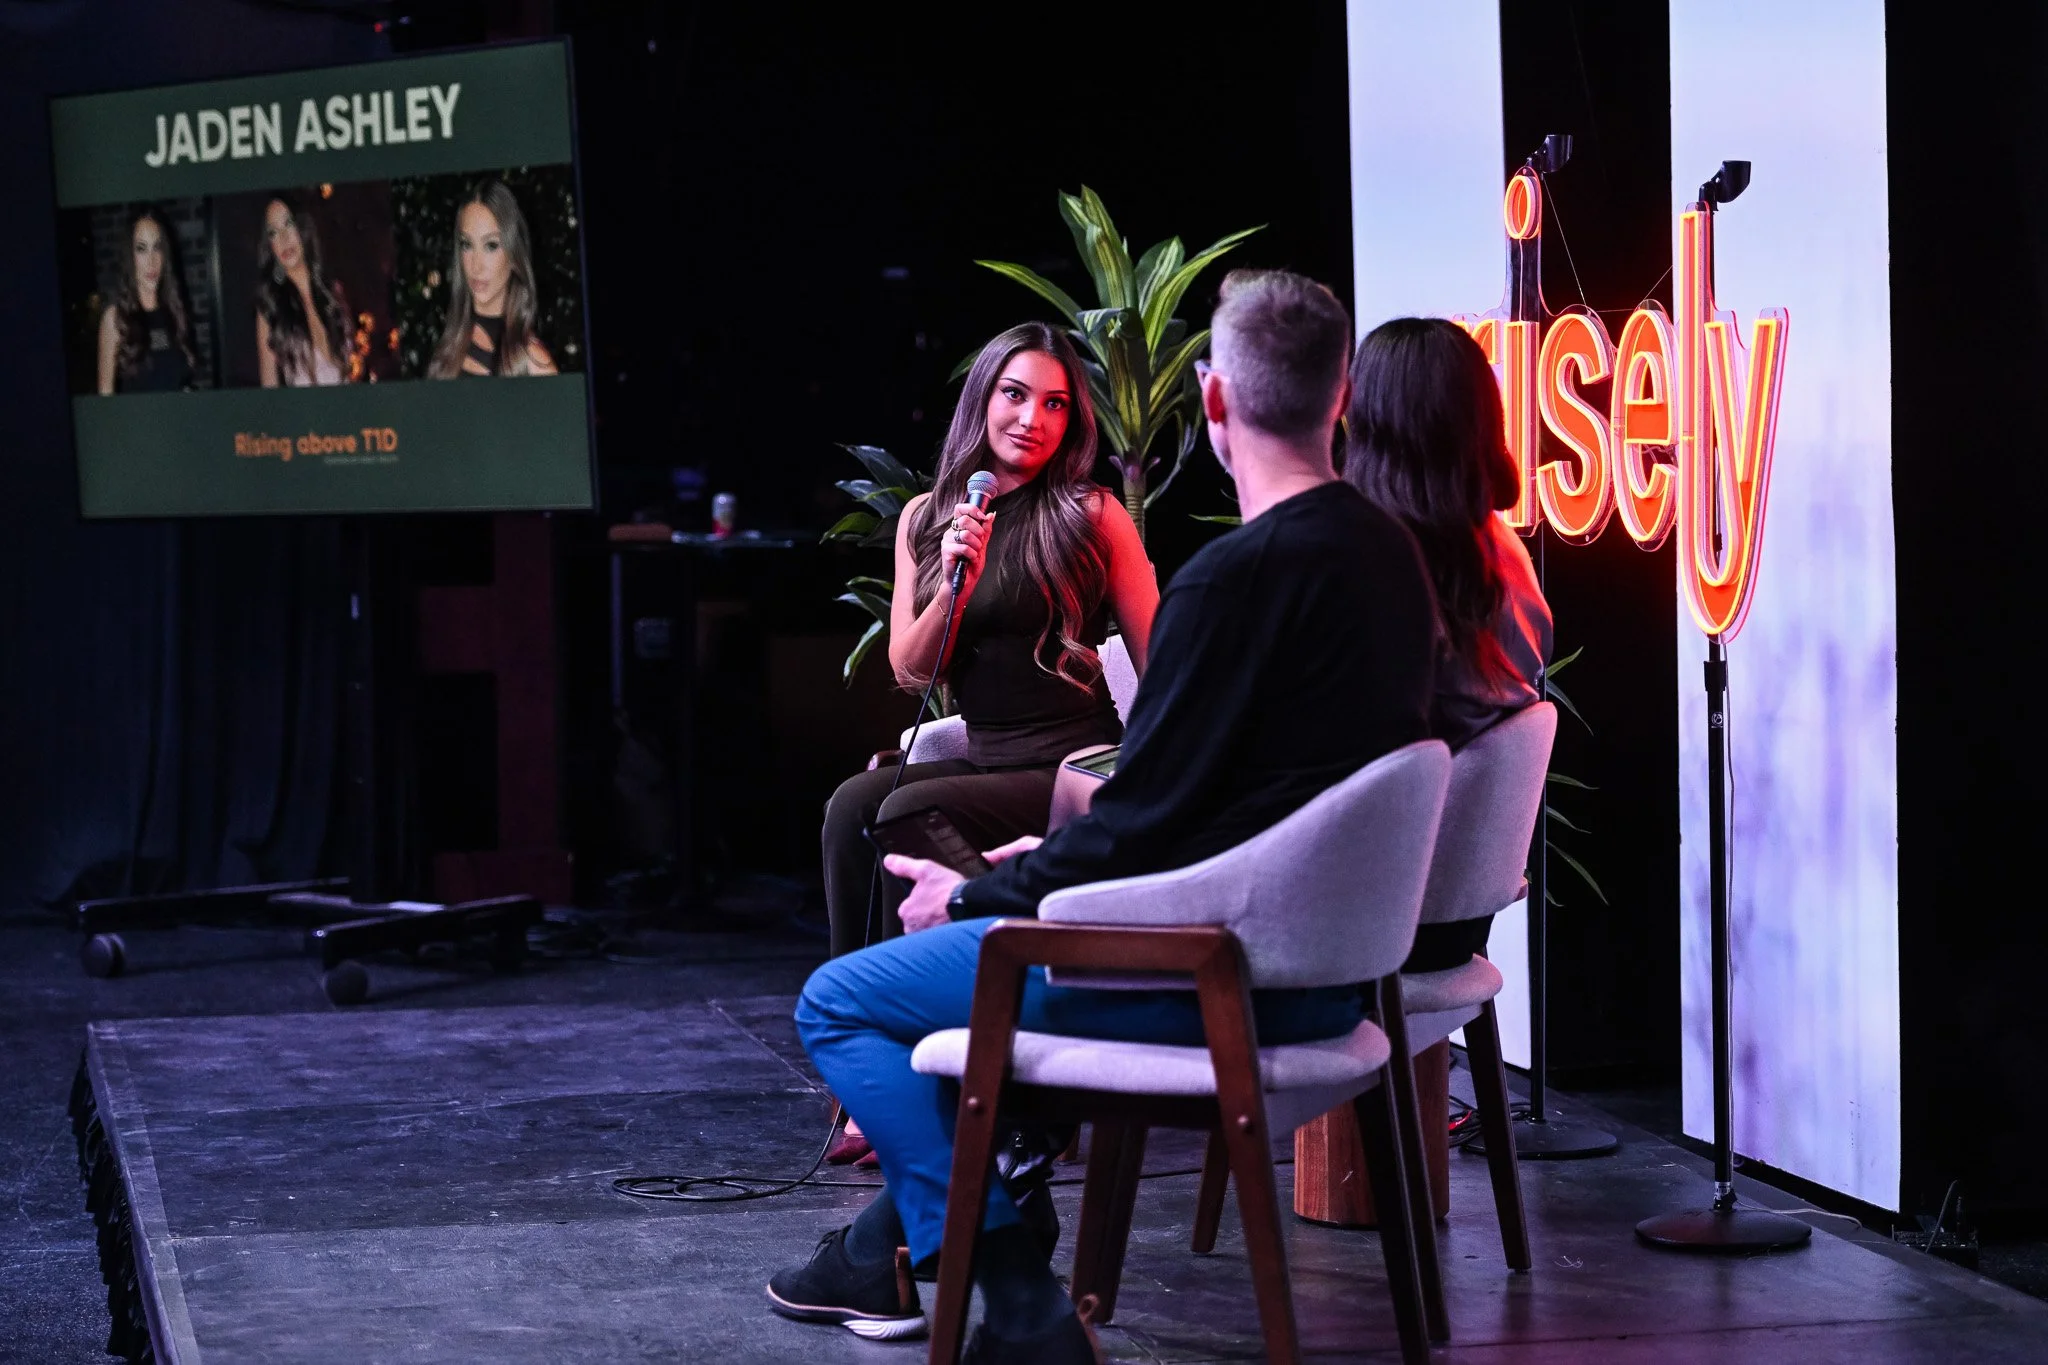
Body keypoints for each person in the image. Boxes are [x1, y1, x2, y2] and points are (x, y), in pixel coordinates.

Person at [767, 270, 1438, 1362]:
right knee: (877, 826)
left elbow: (1145, 821)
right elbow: (1210, 801)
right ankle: (918, 1235)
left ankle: (1016, 1294)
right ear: (1342, 395)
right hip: (1334, 975)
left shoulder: (1225, 583)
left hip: (1208, 975)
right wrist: (1055, 855)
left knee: (838, 1002)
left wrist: (982, 892)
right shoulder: (1394, 558)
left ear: (1211, 402)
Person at [819, 320, 1157, 1167]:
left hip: (1069, 765)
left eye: (1055, 404)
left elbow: (1162, 661)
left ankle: (967, 1051)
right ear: (984, 398)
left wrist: (1151, 779)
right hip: (986, 753)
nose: (1033, 419)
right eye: (1016, 394)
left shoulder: (1091, 514)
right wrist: (953, 584)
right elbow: (910, 668)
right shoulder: (928, 519)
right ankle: (868, 1066)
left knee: (907, 803)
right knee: (851, 807)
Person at [1342, 317, 1553, 972]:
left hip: (1375, 922)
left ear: (1368, 422)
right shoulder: (1504, 553)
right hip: (1457, 914)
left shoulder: (1375, 569)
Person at [426, 181, 557, 378]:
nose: (476, 266)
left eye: (491, 246)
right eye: (467, 245)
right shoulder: (450, 342)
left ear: (513, 255)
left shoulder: (531, 361)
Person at [96, 206, 198, 395]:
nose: (151, 261)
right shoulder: (115, 319)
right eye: (141, 249)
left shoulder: (174, 312)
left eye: (157, 248)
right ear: (130, 256)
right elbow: (105, 398)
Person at [255, 194, 354, 387]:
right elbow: (269, 389)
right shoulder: (270, 308)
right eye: (273, 232)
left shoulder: (333, 292)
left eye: (288, 223)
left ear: (303, 227)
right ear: (270, 246)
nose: (283, 239)